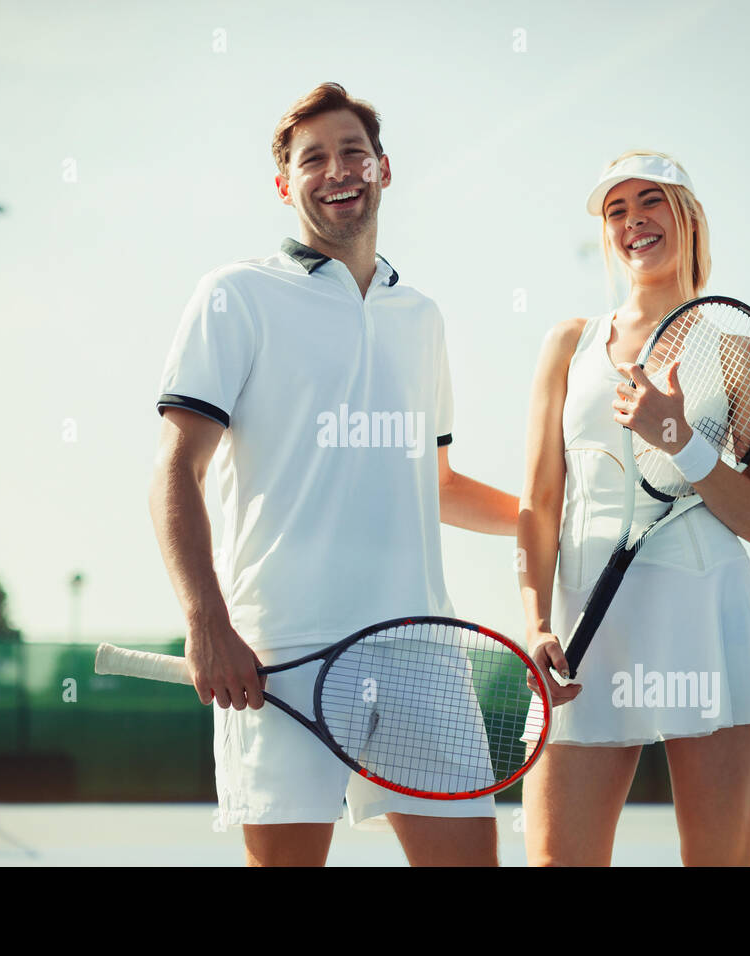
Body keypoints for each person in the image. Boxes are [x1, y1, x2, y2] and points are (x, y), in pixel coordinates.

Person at [151, 82, 518, 867]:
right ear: (285, 185)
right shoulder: (234, 297)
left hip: (422, 649)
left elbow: (439, 485)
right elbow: (177, 471)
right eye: (312, 158)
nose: (337, 169)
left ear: (384, 168)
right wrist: (207, 621)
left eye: (353, 151)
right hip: (281, 649)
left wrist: (550, 519)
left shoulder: (421, 316)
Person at [517, 151, 750, 866]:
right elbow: (540, 504)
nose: (633, 221)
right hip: (584, 634)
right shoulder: (567, 344)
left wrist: (678, 439)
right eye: (616, 211)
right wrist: (536, 623)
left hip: (709, 621)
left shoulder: (739, 352)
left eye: (650, 202)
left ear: (687, 217)